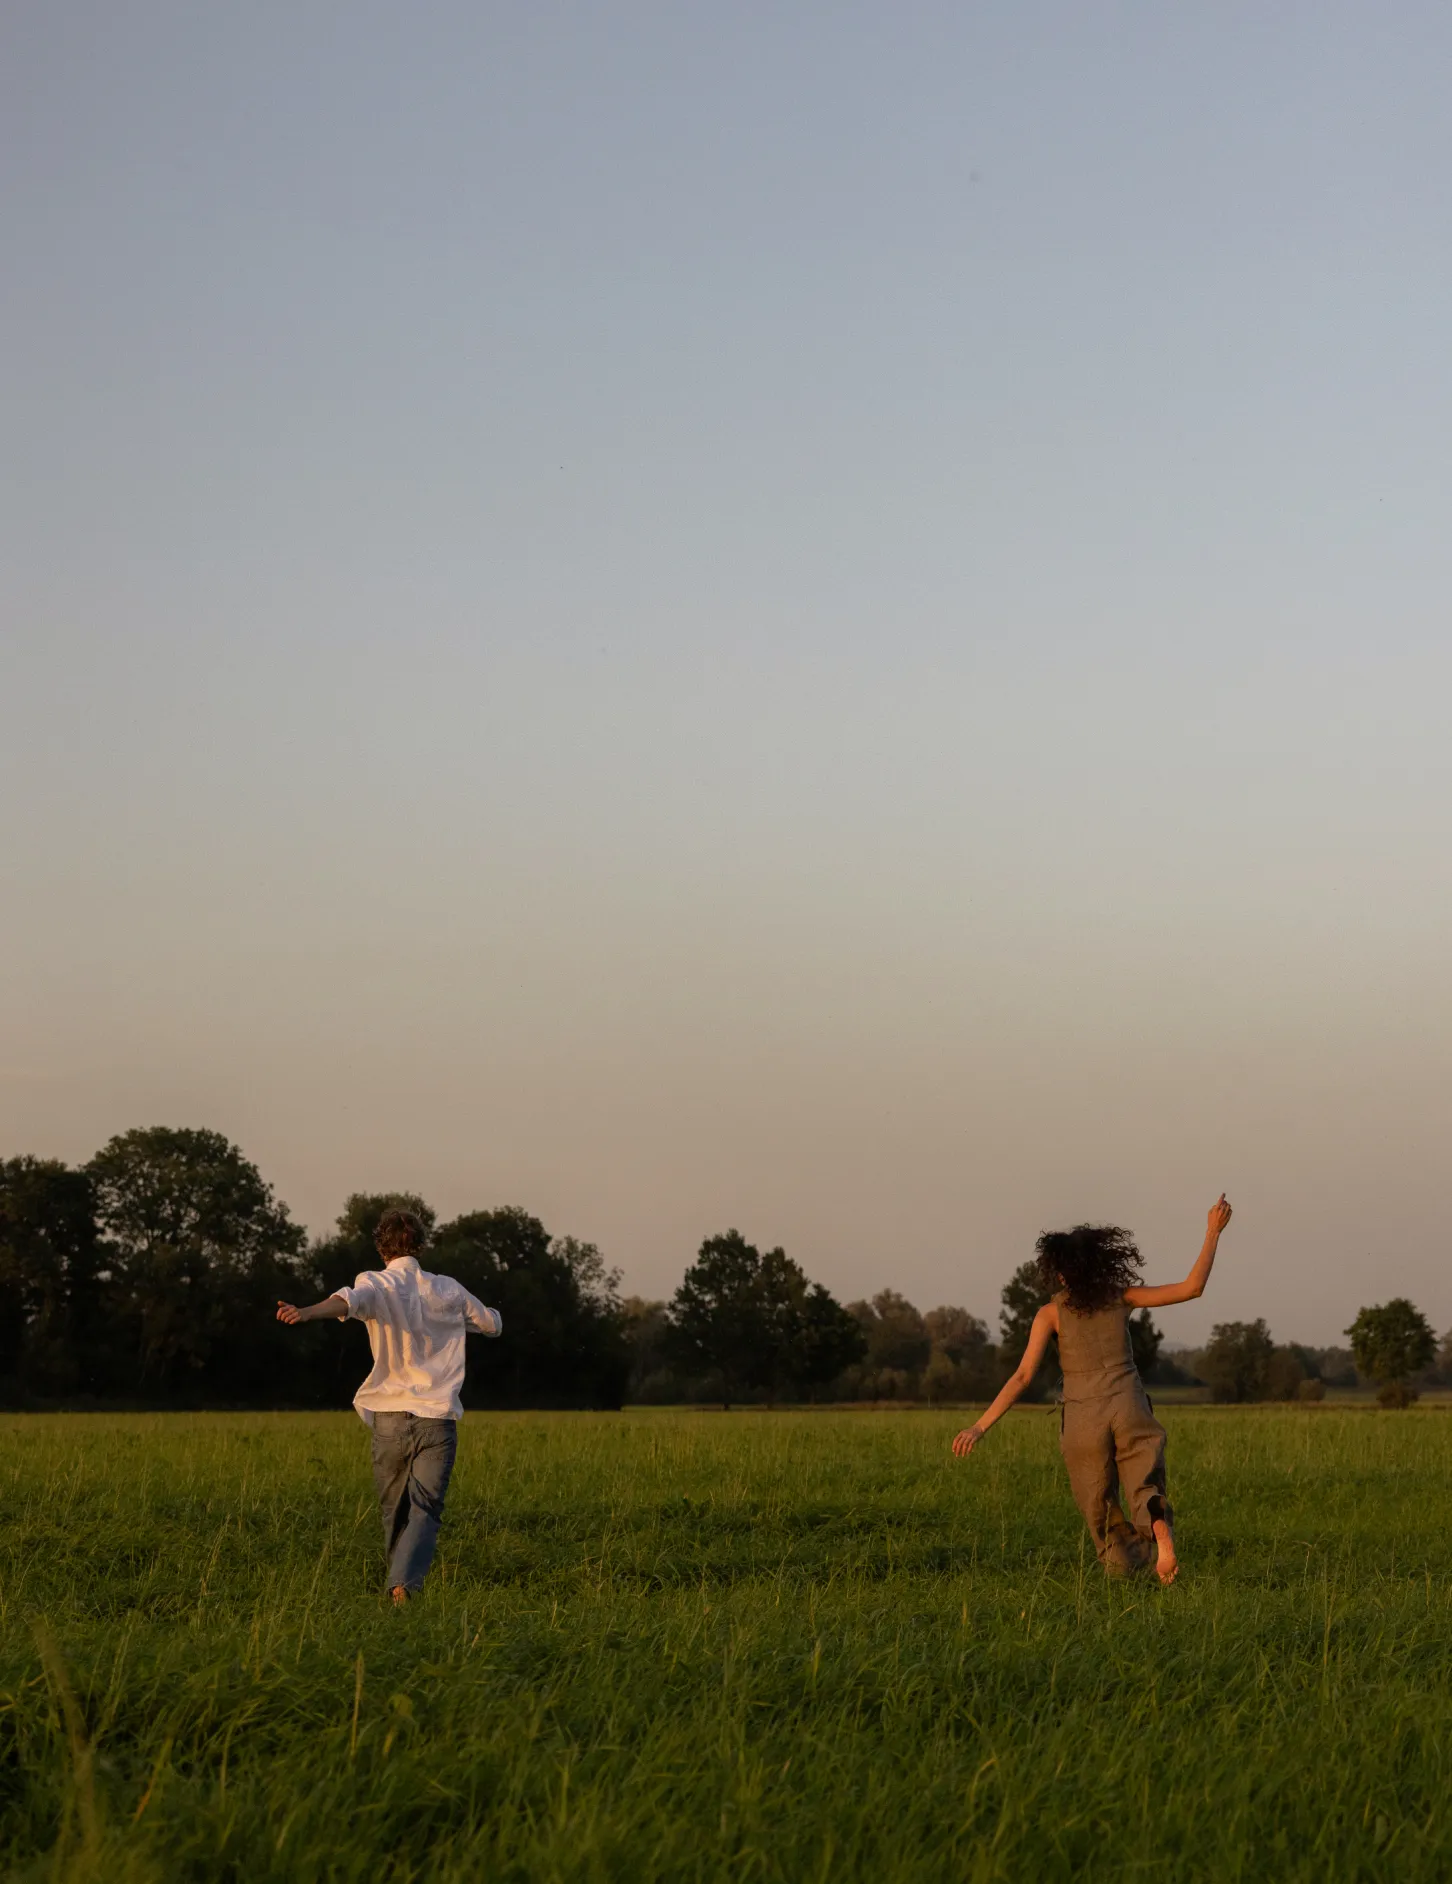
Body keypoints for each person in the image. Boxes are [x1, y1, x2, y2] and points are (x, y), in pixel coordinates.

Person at [952, 1194, 1234, 1585]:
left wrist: (978, 1427)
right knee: (1145, 1483)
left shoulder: (1050, 1314)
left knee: (1099, 1503)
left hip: (1084, 1418)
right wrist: (1212, 1232)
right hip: (1129, 1404)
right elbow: (1191, 1288)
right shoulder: (1120, 1297)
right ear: (1099, 1265)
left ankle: (1122, 1573)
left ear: (1062, 1274)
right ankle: (1159, 1531)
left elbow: (1022, 1377)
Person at [276, 1206, 502, 1605]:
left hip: (389, 1420)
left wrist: (308, 1312)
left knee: (394, 1508)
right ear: (421, 1244)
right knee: (426, 1510)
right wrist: (456, 1321)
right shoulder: (449, 1289)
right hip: (437, 1419)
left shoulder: (375, 1283)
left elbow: (347, 1301)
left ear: (382, 1248)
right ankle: (402, 1586)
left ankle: (399, 1584)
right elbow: (492, 1324)